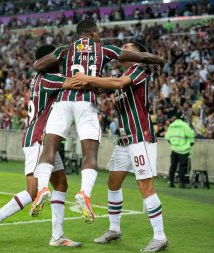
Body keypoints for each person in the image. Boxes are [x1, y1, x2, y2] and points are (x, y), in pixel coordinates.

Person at [31, 19, 165, 223]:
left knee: (49, 148)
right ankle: (85, 194)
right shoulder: (104, 50)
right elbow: (142, 56)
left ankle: (41, 189)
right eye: (98, 33)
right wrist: (159, 60)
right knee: (90, 154)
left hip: (64, 101)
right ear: (93, 33)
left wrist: (62, 74)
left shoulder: (65, 50)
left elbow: (38, 65)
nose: (100, 36)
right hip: (87, 103)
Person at [69, 42, 169, 251]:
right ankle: (114, 229)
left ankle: (160, 237)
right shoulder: (121, 74)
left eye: (126, 47)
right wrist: (88, 83)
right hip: (124, 139)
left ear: (136, 54)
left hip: (140, 137)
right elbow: (106, 86)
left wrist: (89, 78)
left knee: (145, 186)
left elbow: (119, 84)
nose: (122, 49)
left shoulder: (138, 71)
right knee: (113, 183)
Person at [0, 45, 81, 249]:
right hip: (38, 139)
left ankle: (57, 235)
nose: (59, 59)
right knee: (34, 190)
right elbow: (74, 83)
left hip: (47, 139)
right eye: (55, 56)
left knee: (61, 184)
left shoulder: (41, 79)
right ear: (47, 60)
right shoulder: (48, 78)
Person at [165, 112, 195, 188]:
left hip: (174, 149)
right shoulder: (184, 125)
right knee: (182, 166)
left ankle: (171, 182)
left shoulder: (171, 125)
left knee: (173, 166)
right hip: (183, 149)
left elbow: (167, 137)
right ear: (182, 117)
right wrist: (190, 143)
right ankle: (181, 183)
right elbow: (191, 135)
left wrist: (173, 144)